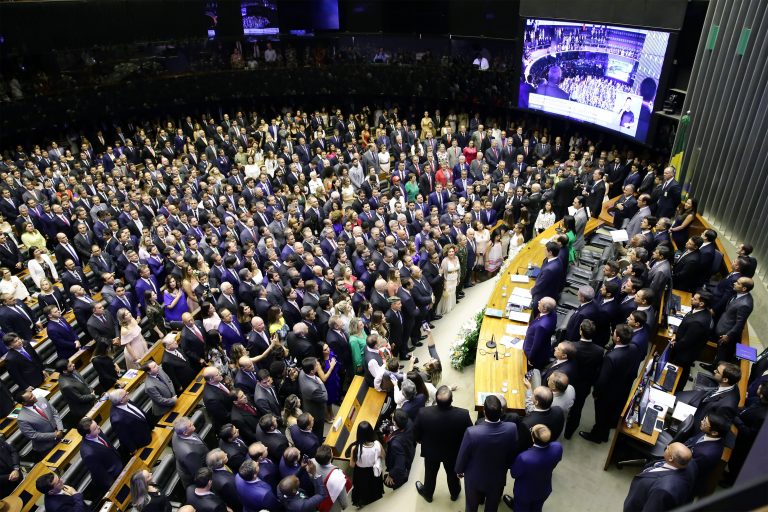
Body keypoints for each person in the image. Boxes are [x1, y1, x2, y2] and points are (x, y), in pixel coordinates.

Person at [455, 395, 518, 512]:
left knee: (471, 506)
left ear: (484, 412)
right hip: (497, 476)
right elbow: (512, 451)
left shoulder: (472, 432)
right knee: (492, 507)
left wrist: (459, 470)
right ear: (501, 411)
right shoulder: (512, 428)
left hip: (474, 477)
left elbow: (464, 454)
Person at [580, 324, 640, 443]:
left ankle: (596, 436)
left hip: (607, 393)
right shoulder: (633, 348)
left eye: (614, 333)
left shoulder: (611, 357)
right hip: (621, 388)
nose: (612, 333)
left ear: (617, 338)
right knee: (609, 414)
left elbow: (603, 379)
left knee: (601, 415)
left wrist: (596, 393)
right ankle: (604, 433)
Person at [413, 384, 472, 503]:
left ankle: (428, 494)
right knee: (452, 473)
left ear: (436, 398)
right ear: (452, 400)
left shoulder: (423, 413)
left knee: (430, 473)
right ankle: (455, 493)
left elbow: (415, 433)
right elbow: (469, 435)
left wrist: (420, 440)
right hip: (452, 452)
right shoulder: (463, 415)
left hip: (431, 451)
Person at [503, 424, 563, 512]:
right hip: (543, 489)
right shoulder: (557, 447)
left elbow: (514, 474)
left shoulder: (524, 458)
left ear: (533, 438)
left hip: (525, 493)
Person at [623, 442, 695, 512]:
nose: (666, 447)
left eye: (668, 448)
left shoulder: (662, 490)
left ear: (671, 458)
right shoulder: (690, 463)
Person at [76, 417, 123, 496]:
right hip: (113, 476)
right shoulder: (88, 453)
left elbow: (109, 446)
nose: (99, 427)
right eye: (95, 428)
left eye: (97, 425)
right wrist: (115, 490)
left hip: (118, 463)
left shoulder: (96, 431)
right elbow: (101, 475)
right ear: (87, 435)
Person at [345, 421, 384, 507]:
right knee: (374, 487)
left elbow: (352, 465)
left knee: (362, 488)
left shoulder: (355, 448)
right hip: (373, 470)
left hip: (361, 473)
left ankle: (363, 502)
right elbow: (382, 455)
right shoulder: (377, 444)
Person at [15, 389, 64, 457]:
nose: (34, 396)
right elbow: (33, 435)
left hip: (59, 436)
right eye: (30, 397)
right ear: (24, 403)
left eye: (32, 394)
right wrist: (54, 435)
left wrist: (60, 429)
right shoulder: (22, 418)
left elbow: (54, 413)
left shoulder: (42, 400)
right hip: (46, 446)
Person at [108, 388, 153, 455]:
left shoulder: (126, 400)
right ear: (121, 401)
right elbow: (124, 436)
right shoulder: (117, 419)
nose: (128, 393)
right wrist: (133, 449)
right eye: (125, 394)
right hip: (141, 442)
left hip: (147, 431)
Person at [56, 359, 97, 427]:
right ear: (64, 371)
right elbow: (79, 398)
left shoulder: (72, 371)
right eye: (70, 365)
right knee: (93, 426)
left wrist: (90, 389)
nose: (73, 365)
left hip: (90, 400)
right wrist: (92, 396)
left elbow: (83, 382)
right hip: (84, 410)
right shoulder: (66, 385)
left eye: (71, 363)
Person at [172, 416, 209, 490]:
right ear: (185, 433)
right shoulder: (189, 454)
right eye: (190, 425)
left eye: (190, 422)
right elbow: (199, 472)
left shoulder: (178, 432)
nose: (192, 423)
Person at [298, 357, 329, 440]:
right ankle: (319, 442)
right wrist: (321, 382)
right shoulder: (313, 388)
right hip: (316, 412)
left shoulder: (302, 372)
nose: (318, 365)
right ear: (312, 371)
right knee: (318, 429)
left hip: (308, 404)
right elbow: (325, 397)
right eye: (316, 365)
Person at [384, 409, 416, 489]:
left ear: (395, 423)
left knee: (388, 482)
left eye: (393, 417)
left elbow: (399, 465)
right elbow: (398, 430)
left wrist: (391, 474)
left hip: (403, 463)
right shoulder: (409, 421)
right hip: (409, 448)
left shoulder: (395, 444)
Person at [313, 444, 351, 511]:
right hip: (332, 504)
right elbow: (343, 500)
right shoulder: (337, 476)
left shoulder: (312, 463)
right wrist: (344, 505)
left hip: (318, 496)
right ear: (331, 456)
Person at [524, 297, 558, 370]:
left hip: (534, 356)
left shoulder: (542, 326)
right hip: (544, 346)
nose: (538, 302)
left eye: (540, 302)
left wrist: (531, 358)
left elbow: (537, 345)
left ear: (545, 309)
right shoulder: (553, 313)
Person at [436, 244, 460, 315]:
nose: (451, 253)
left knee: (453, 293)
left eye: (452, 251)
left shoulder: (456, 258)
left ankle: (451, 307)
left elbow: (459, 270)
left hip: (455, 279)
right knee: (447, 295)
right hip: (448, 281)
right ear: (447, 252)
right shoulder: (444, 261)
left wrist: (458, 279)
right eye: (449, 252)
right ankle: (445, 309)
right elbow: (443, 274)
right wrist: (445, 284)